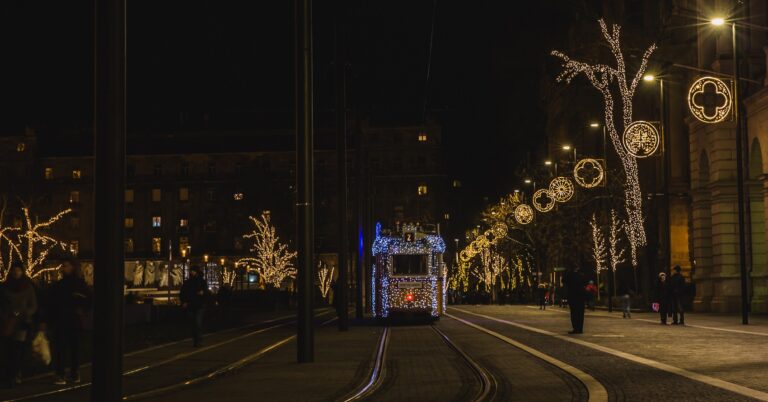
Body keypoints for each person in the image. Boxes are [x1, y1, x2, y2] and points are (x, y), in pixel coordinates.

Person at [47, 257, 91, 385]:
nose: (63, 268)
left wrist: (82, 308)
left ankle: (72, 372)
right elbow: (52, 303)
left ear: (72, 267)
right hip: (63, 320)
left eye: (66, 266)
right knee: (62, 349)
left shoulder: (78, 284)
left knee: (73, 348)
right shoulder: (60, 285)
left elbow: (88, 299)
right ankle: (63, 373)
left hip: (72, 320)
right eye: (63, 266)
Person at [1, 262, 38, 387]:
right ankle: (10, 374)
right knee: (8, 349)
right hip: (8, 322)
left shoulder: (28, 287)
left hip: (22, 322)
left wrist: (24, 312)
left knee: (17, 349)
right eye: (14, 270)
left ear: (22, 272)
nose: (16, 272)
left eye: (18, 270)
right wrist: (6, 314)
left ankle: (16, 374)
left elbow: (33, 305)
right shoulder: (5, 287)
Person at [180, 266, 209, 347]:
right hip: (191, 305)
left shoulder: (201, 281)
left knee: (197, 322)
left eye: (193, 271)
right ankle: (196, 339)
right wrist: (184, 301)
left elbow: (206, 292)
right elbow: (183, 292)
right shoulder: (188, 282)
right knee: (193, 323)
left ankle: (198, 340)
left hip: (199, 305)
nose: (191, 272)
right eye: (191, 271)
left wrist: (203, 293)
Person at [563, 265, 586, 334]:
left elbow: (564, 280)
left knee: (574, 312)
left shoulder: (570, 274)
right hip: (581, 296)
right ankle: (580, 328)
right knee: (580, 313)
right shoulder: (581, 275)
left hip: (573, 295)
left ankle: (576, 328)